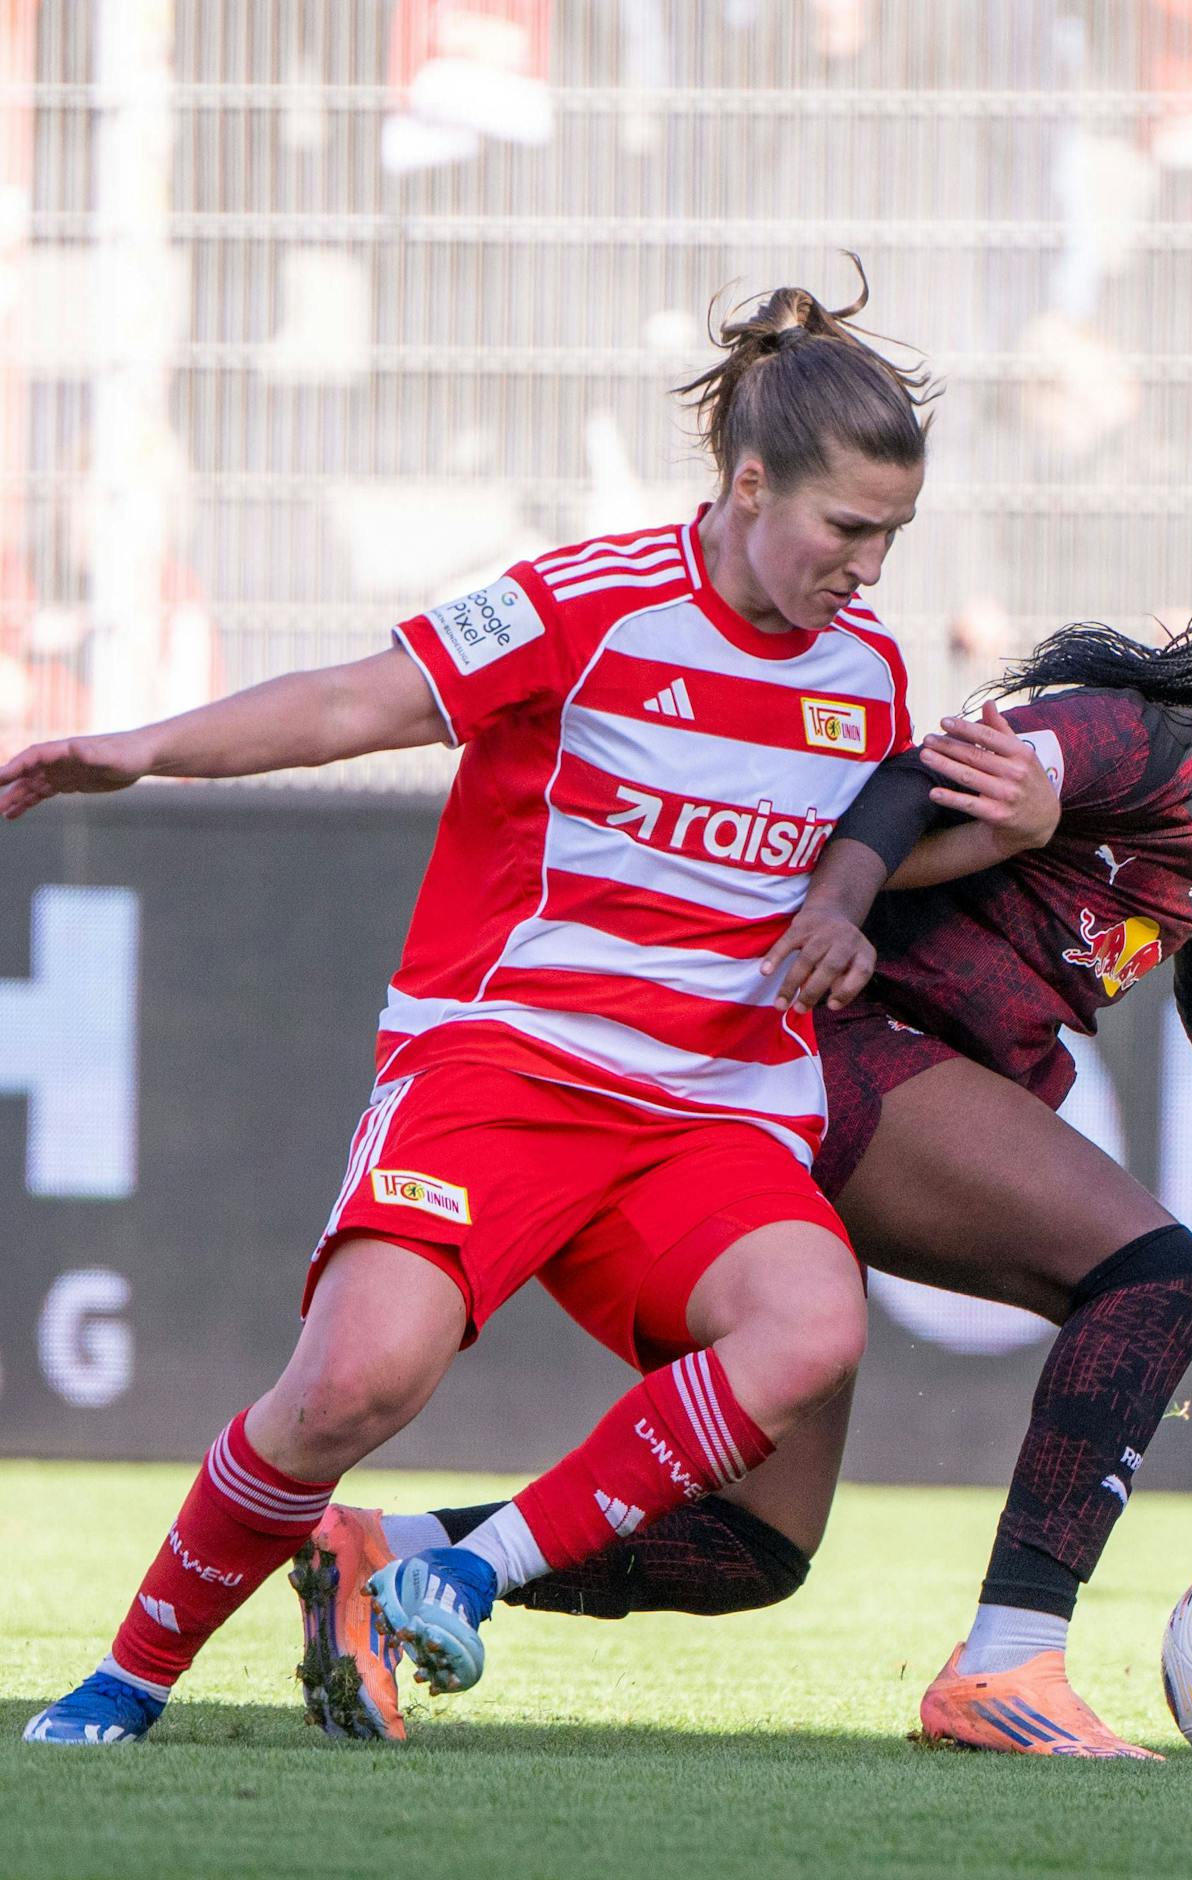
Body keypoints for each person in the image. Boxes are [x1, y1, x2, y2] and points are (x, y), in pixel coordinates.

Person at [13, 271, 1011, 1746]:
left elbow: (838, 847)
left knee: (812, 1321)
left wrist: (961, 851)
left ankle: (461, 1578)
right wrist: (139, 748)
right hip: (508, 1068)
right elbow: (359, 701)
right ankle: (129, 1677)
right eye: (848, 530)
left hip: (709, 1107)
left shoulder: (861, 677)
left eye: (892, 538)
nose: (867, 569)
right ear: (747, 485)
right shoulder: (588, 602)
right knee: (356, 1381)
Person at [348, 496, 1192, 1757]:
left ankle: (387, 1554)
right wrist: (854, 895)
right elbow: (901, 777)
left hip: (872, 1071)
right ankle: (1009, 1662)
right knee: (1153, 1276)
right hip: (834, 1042)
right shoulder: (1134, 740)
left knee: (750, 1546)